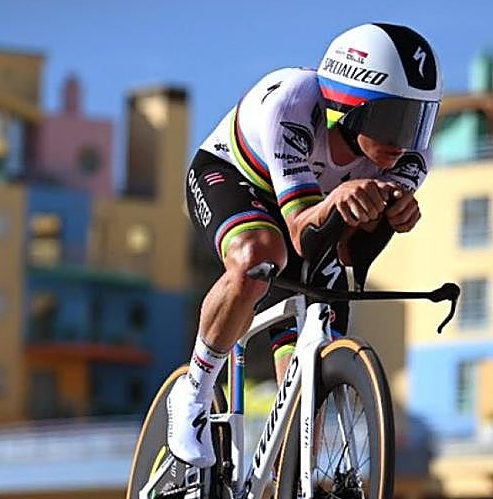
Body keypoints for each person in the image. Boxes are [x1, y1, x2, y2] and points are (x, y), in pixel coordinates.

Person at [169, 23, 442, 466]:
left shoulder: (411, 159)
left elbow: (347, 252)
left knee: (307, 377)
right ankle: (194, 392)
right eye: (394, 120)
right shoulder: (293, 103)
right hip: (238, 181)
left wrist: (391, 219)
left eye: (418, 121)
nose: (404, 141)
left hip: (313, 215)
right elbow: (299, 232)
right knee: (260, 256)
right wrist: (338, 200)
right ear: (348, 106)